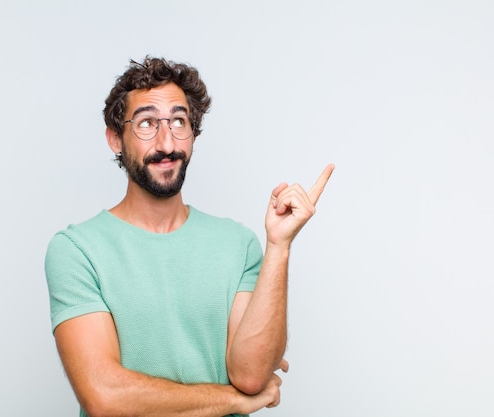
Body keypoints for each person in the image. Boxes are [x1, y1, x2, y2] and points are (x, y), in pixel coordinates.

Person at [44, 56, 334, 417]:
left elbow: (251, 376)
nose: (167, 143)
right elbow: (105, 396)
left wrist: (279, 245)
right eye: (147, 123)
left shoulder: (237, 244)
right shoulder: (76, 250)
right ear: (116, 138)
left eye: (179, 122)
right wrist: (230, 400)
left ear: (193, 134)